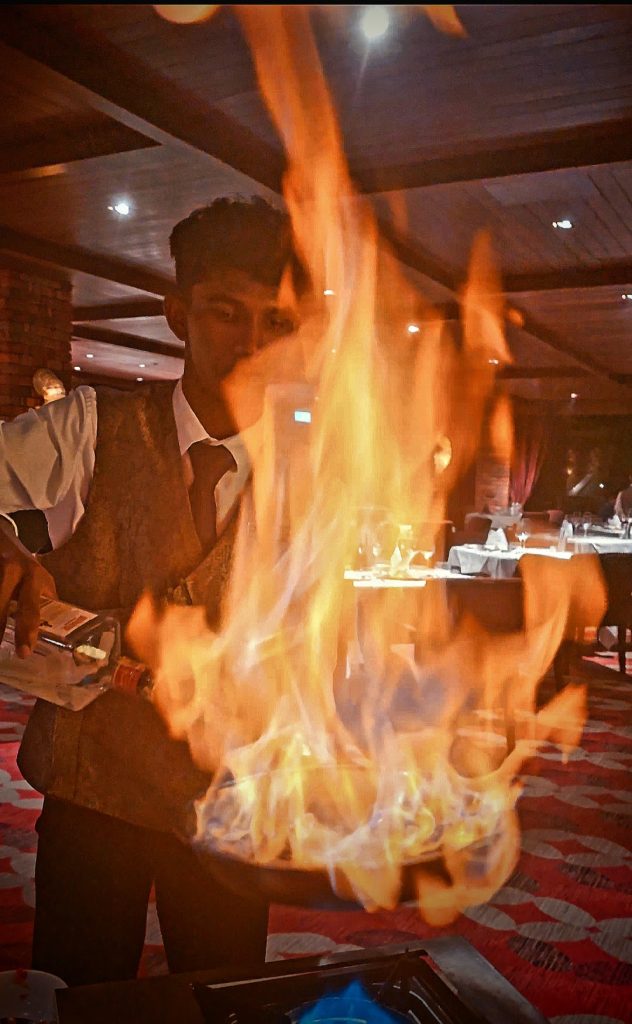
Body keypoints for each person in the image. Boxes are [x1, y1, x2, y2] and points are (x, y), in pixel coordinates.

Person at [0, 196, 308, 986]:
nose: (249, 342)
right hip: (91, 794)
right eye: (224, 313)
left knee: (223, 991)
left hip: (231, 803)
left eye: (273, 322)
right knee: (78, 991)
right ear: (177, 314)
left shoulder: (315, 478)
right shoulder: (90, 427)